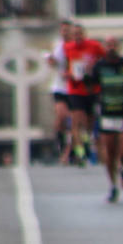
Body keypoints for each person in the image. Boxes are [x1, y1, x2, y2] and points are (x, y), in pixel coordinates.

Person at [90, 37, 123, 203]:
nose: (111, 48)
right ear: (104, 47)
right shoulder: (99, 66)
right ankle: (112, 186)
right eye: (108, 45)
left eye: (114, 45)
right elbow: (90, 86)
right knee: (110, 152)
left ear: (118, 47)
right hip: (107, 112)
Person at [62, 24, 105, 166]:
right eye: (75, 34)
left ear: (84, 34)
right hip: (75, 89)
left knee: (89, 122)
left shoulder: (94, 46)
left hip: (91, 89)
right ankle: (79, 151)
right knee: (76, 120)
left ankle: (87, 142)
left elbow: (104, 60)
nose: (78, 37)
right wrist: (68, 74)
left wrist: (95, 69)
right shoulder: (68, 48)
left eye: (80, 33)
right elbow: (65, 67)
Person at [47, 20, 74, 164]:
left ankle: (69, 151)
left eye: (67, 30)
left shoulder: (76, 46)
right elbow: (52, 61)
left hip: (74, 88)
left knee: (73, 121)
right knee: (61, 115)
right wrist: (50, 60)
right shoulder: (57, 46)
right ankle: (60, 141)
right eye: (63, 30)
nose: (65, 33)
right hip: (59, 87)